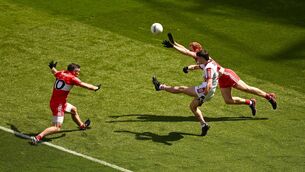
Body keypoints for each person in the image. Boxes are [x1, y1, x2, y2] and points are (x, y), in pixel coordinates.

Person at [162, 33, 277, 116]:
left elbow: (186, 52)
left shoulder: (200, 56)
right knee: (228, 100)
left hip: (227, 75)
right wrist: (175, 43)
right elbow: (187, 53)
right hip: (221, 80)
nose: (190, 50)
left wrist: (173, 46)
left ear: (196, 50)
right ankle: (250, 102)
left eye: (192, 49)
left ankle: (268, 96)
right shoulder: (200, 58)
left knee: (246, 88)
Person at [31, 61, 101, 144]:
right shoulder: (72, 78)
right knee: (56, 127)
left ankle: (82, 126)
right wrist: (95, 88)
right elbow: (83, 85)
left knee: (73, 110)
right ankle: (37, 137)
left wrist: (52, 67)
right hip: (58, 105)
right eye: (77, 71)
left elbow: (55, 72)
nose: (78, 73)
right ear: (73, 71)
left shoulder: (61, 73)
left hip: (57, 102)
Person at [152, 50, 218, 136]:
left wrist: (202, 96)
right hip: (210, 91)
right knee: (192, 107)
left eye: (198, 58)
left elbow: (209, 84)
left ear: (202, 58)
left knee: (181, 89)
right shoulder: (209, 63)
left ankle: (160, 87)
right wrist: (188, 68)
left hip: (205, 90)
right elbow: (197, 67)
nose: (196, 59)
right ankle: (203, 125)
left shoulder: (209, 68)